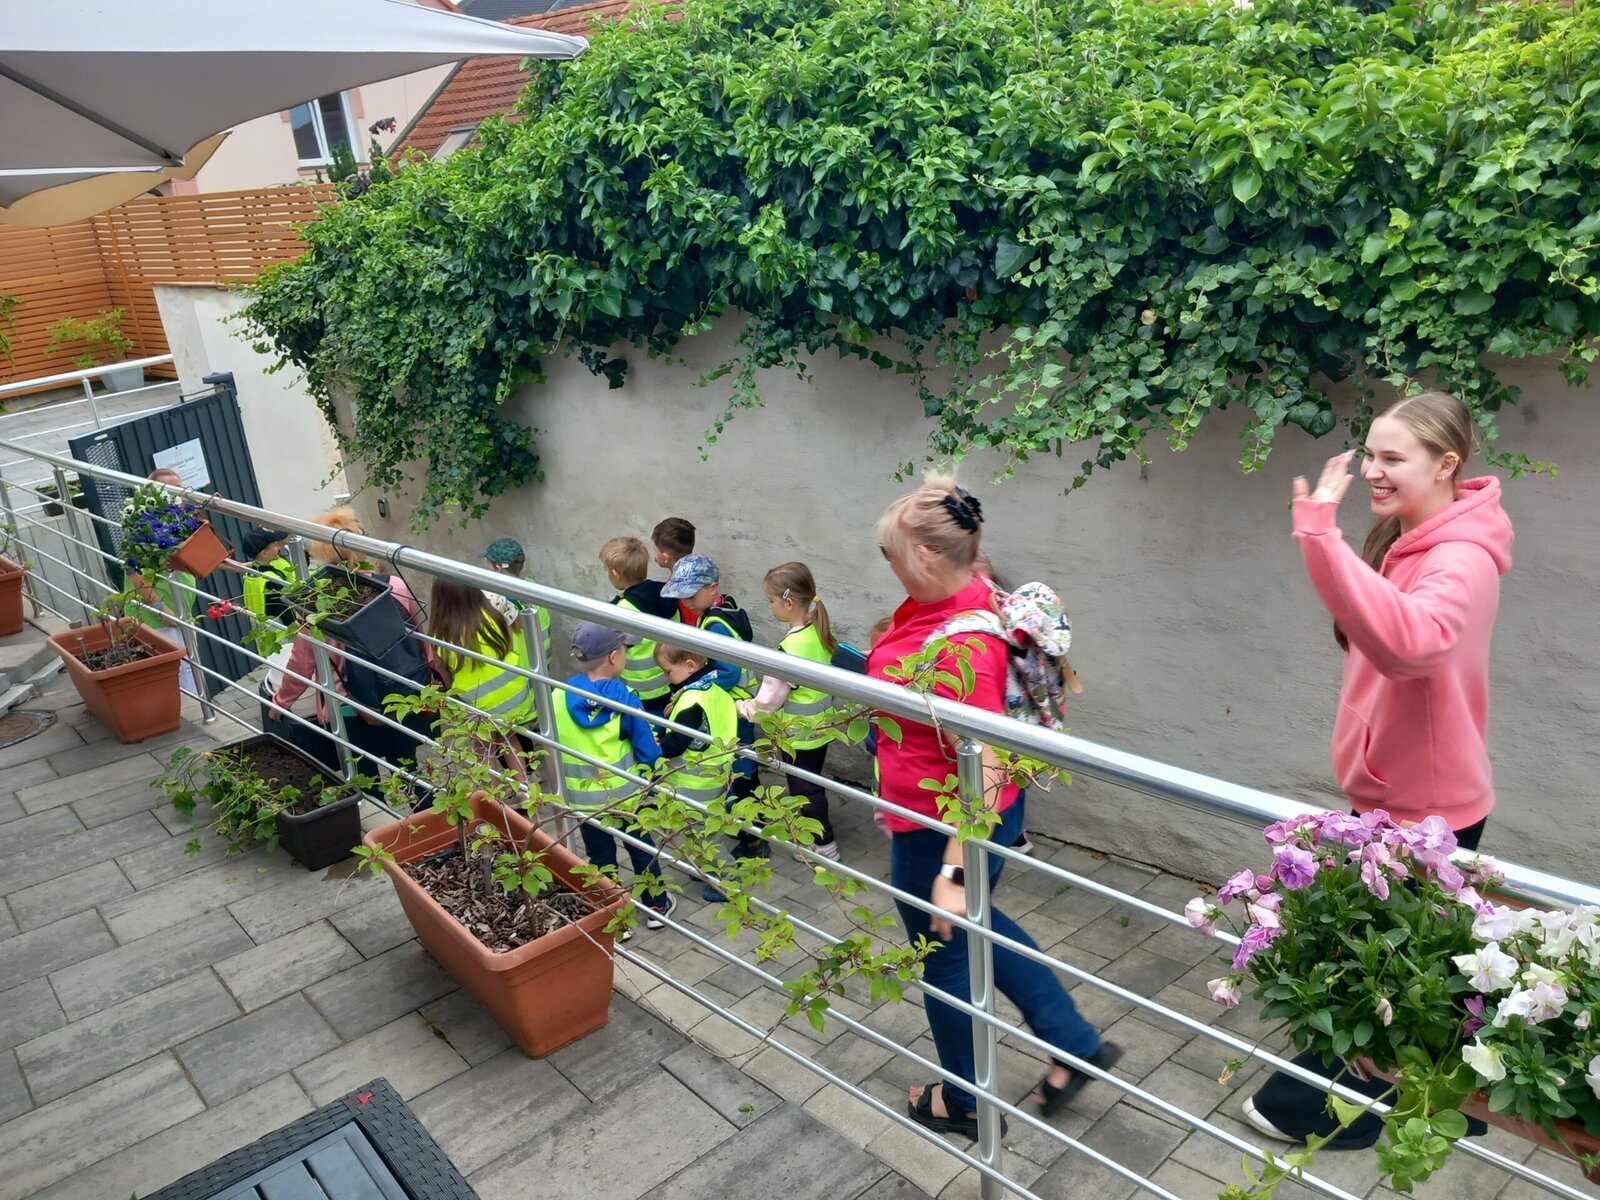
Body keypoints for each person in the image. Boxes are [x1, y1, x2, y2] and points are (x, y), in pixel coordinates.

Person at [1243, 389, 1514, 1147]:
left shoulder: (1459, 558)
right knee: (1403, 962)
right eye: (1369, 453)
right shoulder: (1414, 539)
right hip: (1400, 797)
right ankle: (1454, 1099)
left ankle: (1331, 1108)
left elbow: (1412, 645)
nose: (1372, 470)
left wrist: (1319, 535)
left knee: (1387, 969)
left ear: (1446, 464)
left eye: (1393, 457)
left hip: (1427, 809)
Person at [869, 472, 1118, 1139]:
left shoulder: (965, 646)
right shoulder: (966, 595)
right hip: (957, 816)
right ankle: (1073, 1041)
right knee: (975, 928)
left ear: (926, 556)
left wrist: (952, 871)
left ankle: (966, 1100)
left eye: (890, 552)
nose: (887, 563)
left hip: (946, 826)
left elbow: (991, 759)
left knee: (944, 953)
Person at [268, 506, 437, 786]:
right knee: (407, 766)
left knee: (363, 774)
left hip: (351, 705)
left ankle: (376, 808)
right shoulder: (394, 586)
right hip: (401, 692)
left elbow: (302, 662)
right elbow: (418, 635)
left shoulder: (317, 604)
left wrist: (280, 703)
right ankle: (422, 807)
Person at [552, 620, 677, 931]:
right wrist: (657, 778)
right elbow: (647, 749)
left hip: (583, 801)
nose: (627, 654)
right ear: (613, 656)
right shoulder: (627, 698)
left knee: (600, 856)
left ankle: (615, 918)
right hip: (627, 798)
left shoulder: (558, 695)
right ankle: (656, 906)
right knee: (641, 847)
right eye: (625, 649)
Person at [738, 562, 843, 862]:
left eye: (770, 601)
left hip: (797, 736)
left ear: (787, 603)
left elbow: (767, 702)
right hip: (821, 729)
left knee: (804, 790)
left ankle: (823, 845)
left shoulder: (788, 650)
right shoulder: (818, 632)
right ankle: (812, 831)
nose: (769, 607)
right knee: (812, 783)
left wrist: (742, 708)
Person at [654, 642, 742, 902]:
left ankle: (728, 881)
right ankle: (707, 868)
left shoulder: (690, 701)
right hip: (717, 774)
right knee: (705, 828)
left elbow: (676, 744)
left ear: (689, 666)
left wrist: (657, 744)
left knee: (704, 832)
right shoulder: (715, 691)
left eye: (668, 671)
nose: (665, 677)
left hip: (694, 782)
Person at [427, 577, 535, 783]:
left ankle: (492, 796)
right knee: (509, 740)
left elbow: (444, 675)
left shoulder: (441, 635)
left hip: (477, 705)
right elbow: (509, 643)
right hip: (512, 696)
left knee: (483, 748)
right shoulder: (492, 615)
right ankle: (525, 791)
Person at [128, 468, 197, 696]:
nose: (177, 493)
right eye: (169, 489)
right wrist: (159, 607)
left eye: (179, 488)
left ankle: (199, 707)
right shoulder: (142, 523)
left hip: (181, 612)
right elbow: (132, 571)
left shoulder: (179, 520)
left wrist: (241, 565)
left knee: (191, 667)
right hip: (157, 617)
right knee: (176, 670)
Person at [602, 536, 679, 716]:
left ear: (615, 574)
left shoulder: (623, 610)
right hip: (670, 682)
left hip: (640, 691)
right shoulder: (667, 594)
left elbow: (612, 650)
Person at [480, 536, 553, 667]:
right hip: (542, 663)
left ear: (497, 567)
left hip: (522, 669)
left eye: (488, 564)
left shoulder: (500, 600)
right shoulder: (532, 587)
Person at [238, 526, 294, 620]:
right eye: (275, 545)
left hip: (260, 627)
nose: (279, 548)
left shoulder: (249, 575)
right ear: (264, 553)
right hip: (278, 629)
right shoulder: (272, 581)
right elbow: (287, 616)